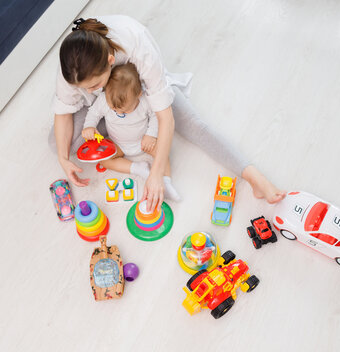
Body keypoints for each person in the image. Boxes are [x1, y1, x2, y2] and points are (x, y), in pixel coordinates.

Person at [48, 15, 285, 211]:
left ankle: (254, 176)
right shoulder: (72, 68)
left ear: (111, 61)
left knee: (193, 125)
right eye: (83, 88)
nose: (89, 92)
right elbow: (63, 114)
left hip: (138, 88)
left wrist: (157, 173)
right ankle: (121, 127)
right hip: (112, 109)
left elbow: (165, 119)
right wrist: (62, 158)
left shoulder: (138, 47)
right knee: (59, 142)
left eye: (94, 85)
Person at [81, 62, 181, 201]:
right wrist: (89, 127)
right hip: (118, 144)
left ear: (138, 94)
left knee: (162, 153)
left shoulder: (145, 100)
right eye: (114, 109)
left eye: (125, 110)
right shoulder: (104, 99)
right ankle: (138, 168)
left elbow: (156, 117)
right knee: (104, 160)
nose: (119, 112)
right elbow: (93, 113)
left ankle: (166, 182)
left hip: (143, 142)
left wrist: (150, 135)